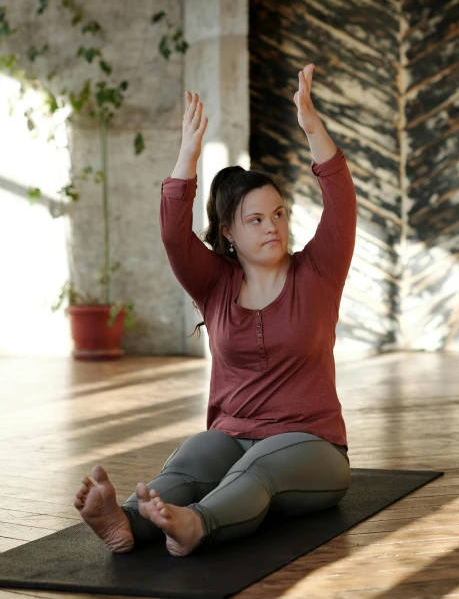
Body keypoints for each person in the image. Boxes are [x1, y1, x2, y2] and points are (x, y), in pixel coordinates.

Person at [73, 63, 357, 557]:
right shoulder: (214, 285)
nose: (273, 227)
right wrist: (188, 154)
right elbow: (171, 234)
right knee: (190, 465)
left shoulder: (318, 273)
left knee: (259, 468)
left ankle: (197, 526)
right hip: (232, 435)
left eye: (279, 214)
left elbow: (341, 201)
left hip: (313, 447)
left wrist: (312, 124)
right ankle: (124, 526)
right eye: (255, 219)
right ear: (229, 232)